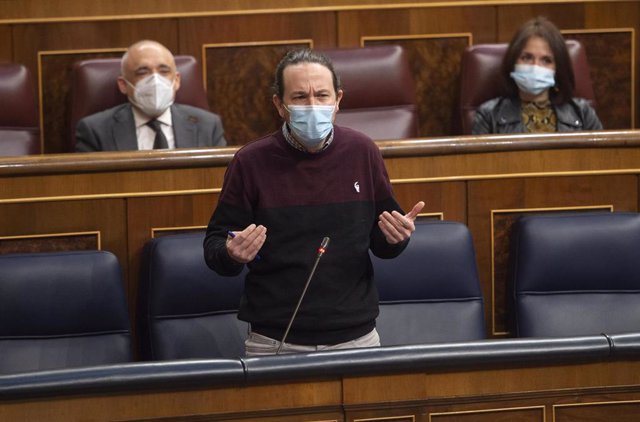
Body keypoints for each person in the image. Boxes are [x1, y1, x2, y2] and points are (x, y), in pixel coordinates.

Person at [203, 49, 425, 356]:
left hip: (356, 336)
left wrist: (396, 238)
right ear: (279, 105)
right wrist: (231, 253)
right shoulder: (250, 162)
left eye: (322, 95)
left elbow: (382, 243)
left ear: (338, 101)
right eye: (299, 97)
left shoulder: (362, 151)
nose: (313, 106)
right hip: (275, 341)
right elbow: (215, 247)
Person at [75, 40, 226, 152]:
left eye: (164, 71)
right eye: (142, 72)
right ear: (123, 85)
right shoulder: (95, 130)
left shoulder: (208, 125)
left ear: (177, 81)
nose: (155, 80)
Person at [473, 16, 602, 134]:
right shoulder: (489, 115)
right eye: (527, 58)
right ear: (513, 61)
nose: (536, 66)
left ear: (558, 69)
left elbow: (601, 158)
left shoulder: (583, 113)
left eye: (546, 60)